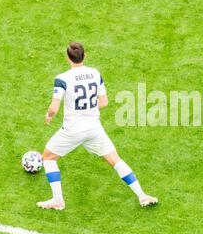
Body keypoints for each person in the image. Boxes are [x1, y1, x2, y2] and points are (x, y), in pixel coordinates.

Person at [37, 42, 158, 210]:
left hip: (72, 130)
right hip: (94, 129)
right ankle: (142, 195)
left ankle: (58, 201)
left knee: (48, 158)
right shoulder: (95, 73)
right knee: (115, 160)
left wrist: (48, 116)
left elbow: (54, 108)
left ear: (67, 58)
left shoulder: (62, 79)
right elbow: (104, 102)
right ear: (84, 56)